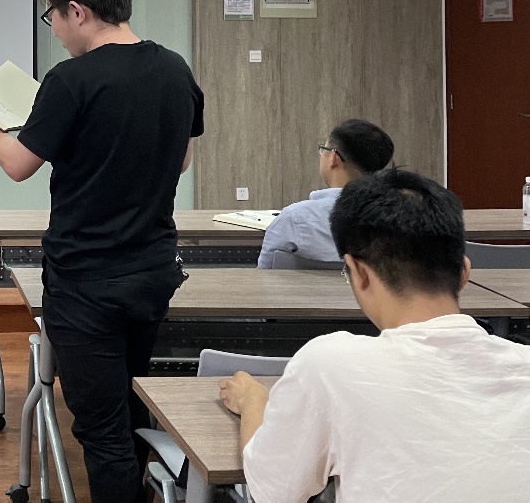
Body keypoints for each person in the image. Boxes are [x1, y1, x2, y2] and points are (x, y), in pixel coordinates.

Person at [0, 0, 204, 503]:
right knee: (132, 404)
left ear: (77, 11)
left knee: (101, 430)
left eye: (51, 17)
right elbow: (182, 160)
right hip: (152, 271)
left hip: (86, 280)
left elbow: (18, 165)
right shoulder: (175, 69)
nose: (54, 30)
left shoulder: (71, 79)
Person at [219, 169, 530, 503]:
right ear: (464, 272)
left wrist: (253, 400)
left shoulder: (329, 366)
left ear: (358, 273)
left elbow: (270, 492)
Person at [257, 119, 393, 268]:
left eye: (323, 149)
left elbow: (264, 273)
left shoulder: (293, 219)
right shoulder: (395, 219)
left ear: (334, 158)